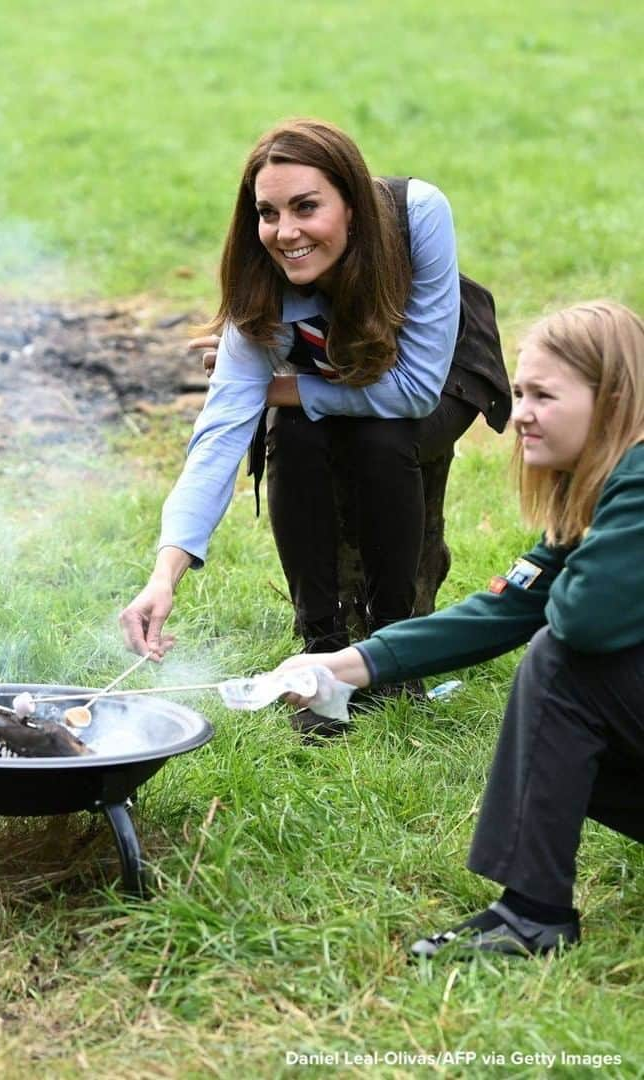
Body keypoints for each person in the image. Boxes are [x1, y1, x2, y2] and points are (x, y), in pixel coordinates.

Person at [272, 300, 644, 957]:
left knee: (558, 664)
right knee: (563, 710)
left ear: (612, 399)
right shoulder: (605, 485)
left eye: (544, 397)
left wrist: (556, 583)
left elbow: (579, 620)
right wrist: (344, 666)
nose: (520, 414)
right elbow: (505, 606)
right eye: (519, 392)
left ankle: (533, 916)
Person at [120, 119, 505, 704]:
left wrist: (279, 390)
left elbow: (415, 391)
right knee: (295, 435)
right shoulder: (260, 287)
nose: (285, 232)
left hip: (441, 368)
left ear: (351, 204)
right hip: (338, 363)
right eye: (268, 213)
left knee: (378, 437)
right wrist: (162, 577)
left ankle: (392, 654)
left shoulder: (417, 212)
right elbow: (219, 437)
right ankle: (319, 648)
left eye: (306, 207)